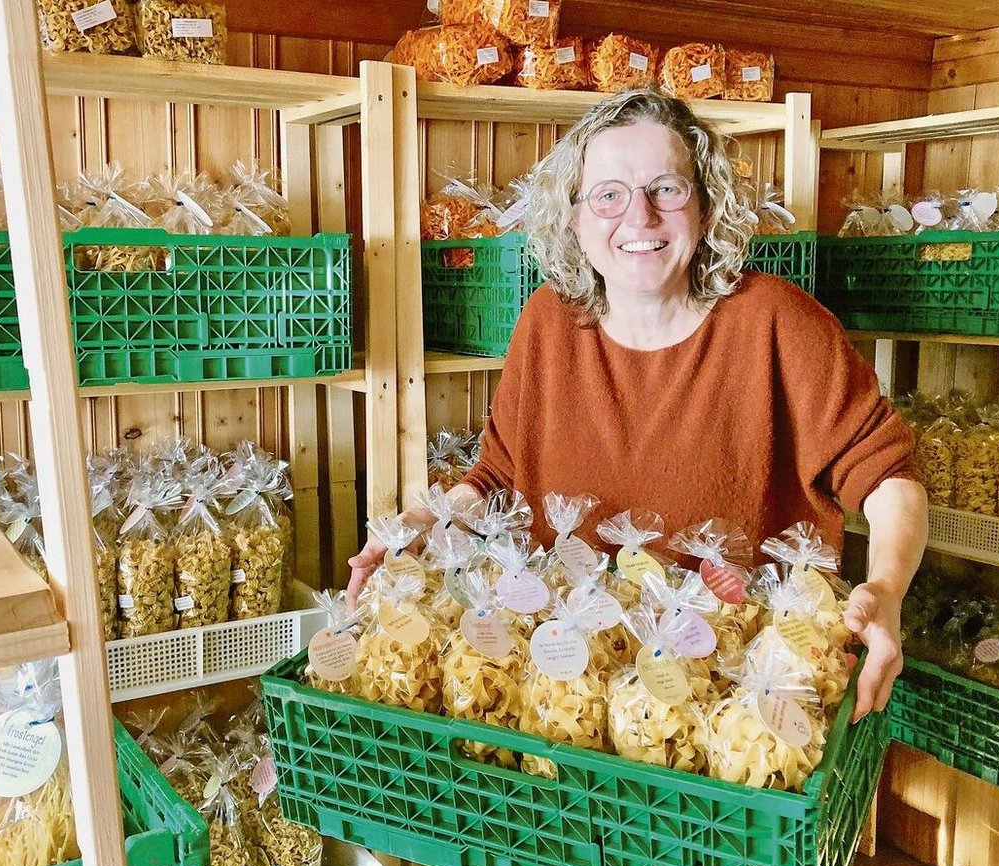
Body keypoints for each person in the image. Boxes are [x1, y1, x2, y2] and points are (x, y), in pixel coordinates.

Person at [349, 88, 927, 723]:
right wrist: (423, 526)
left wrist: (887, 590)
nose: (640, 217)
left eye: (666, 189)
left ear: (705, 206)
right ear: (574, 218)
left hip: (738, 696)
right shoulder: (548, 321)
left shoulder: (775, 321)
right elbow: (500, 476)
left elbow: (887, 475)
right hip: (571, 690)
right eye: (608, 195)